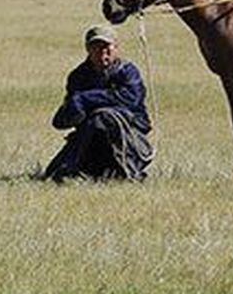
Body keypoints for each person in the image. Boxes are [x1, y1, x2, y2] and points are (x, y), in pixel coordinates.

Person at [38, 24, 154, 181]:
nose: (102, 52)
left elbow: (130, 99)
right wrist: (74, 109)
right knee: (53, 174)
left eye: (107, 47)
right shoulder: (78, 76)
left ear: (116, 47)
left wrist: (86, 98)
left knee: (103, 118)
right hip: (89, 136)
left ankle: (128, 172)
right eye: (96, 47)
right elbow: (63, 121)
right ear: (87, 49)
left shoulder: (128, 71)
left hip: (129, 135)